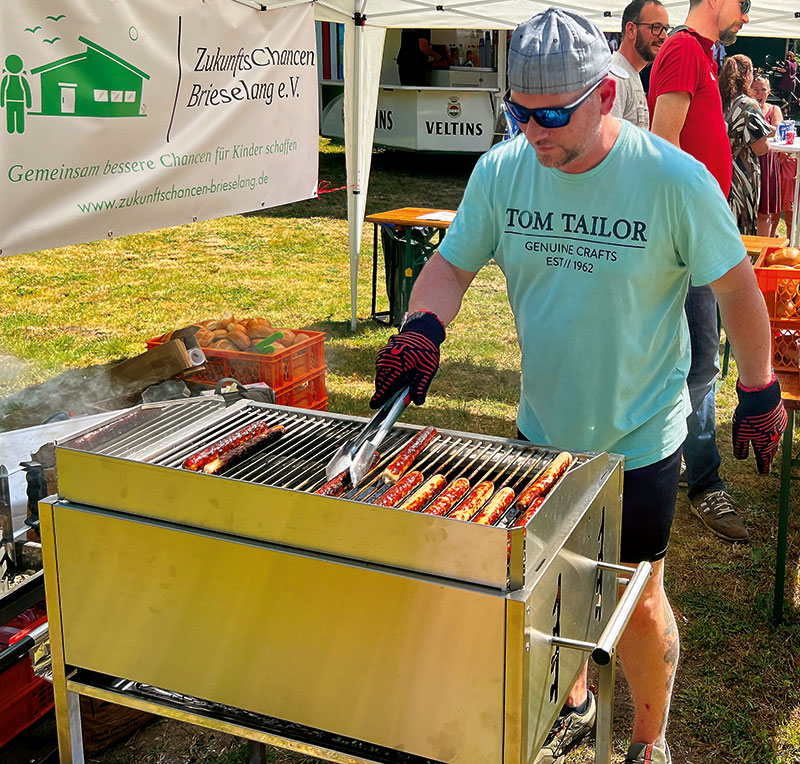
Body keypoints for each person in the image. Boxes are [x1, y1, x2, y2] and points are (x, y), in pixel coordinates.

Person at [369, 9, 785, 764]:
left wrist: (758, 392)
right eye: (519, 114)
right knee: (554, 594)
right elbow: (452, 265)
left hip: (638, 439)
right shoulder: (503, 169)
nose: (535, 132)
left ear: (602, 94)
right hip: (544, 428)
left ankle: (647, 742)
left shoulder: (672, 180)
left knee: (634, 600)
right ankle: (575, 704)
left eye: (552, 115)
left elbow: (737, 289)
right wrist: (422, 328)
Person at [648, 0, 752, 542]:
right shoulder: (685, 49)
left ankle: (687, 468)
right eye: (746, 4)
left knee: (694, 363)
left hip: (694, 239)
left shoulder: (699, 54)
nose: (748, 17)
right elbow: (664, 148)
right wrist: (691, 232)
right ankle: (703, 482)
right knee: (700, 365)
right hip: (685, 245)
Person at [720, 55, 773, 235]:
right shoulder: (747, 104)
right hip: (741, 174)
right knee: (741, 228)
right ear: (748, 75)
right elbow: (760, 147)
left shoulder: (719, 101)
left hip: (718, 168)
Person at [610, 0, 671, 129]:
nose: (664, 36)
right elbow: (606, 143)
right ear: (631, 30)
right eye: (656, 28)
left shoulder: (630, 73)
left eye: (665, 29)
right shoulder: (614, 77)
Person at [753, 74, 784, 237]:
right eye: (755, 90)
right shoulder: (746, 108)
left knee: (764, 211)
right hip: (748, 161)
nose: (759, 94)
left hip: (767, 162)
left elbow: (779, 131)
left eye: (763, 90)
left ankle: (763, 252)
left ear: (769, 92)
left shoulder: (774, 109)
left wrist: (755, 120)